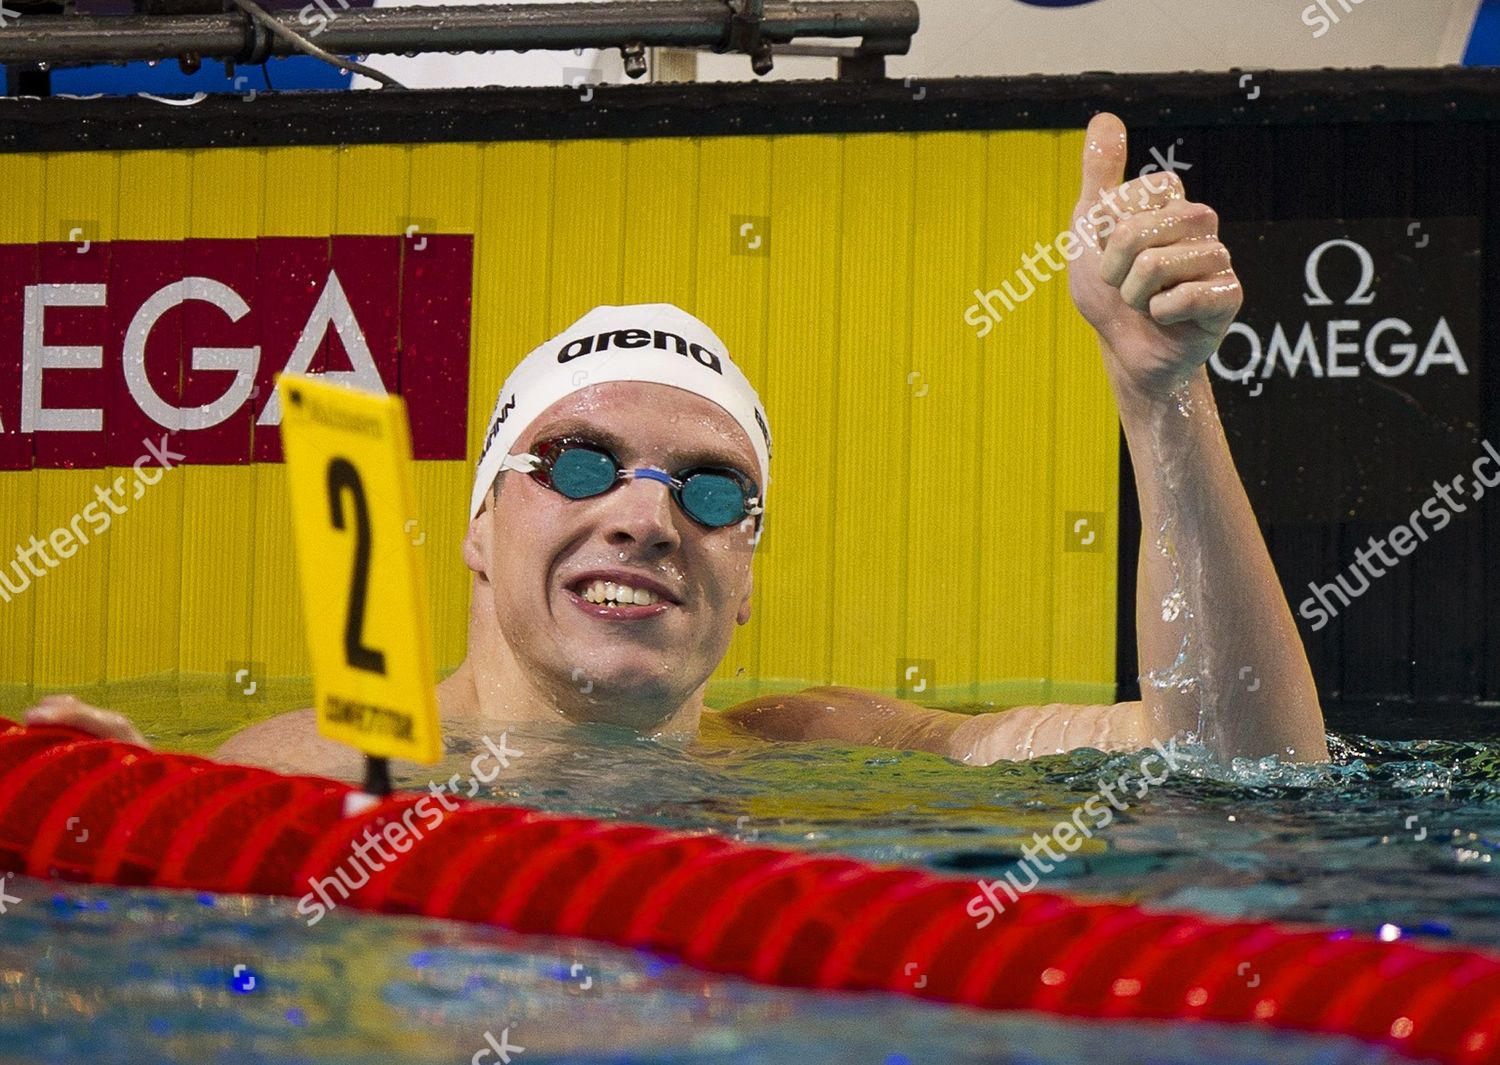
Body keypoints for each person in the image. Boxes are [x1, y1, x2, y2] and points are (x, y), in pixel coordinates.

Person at [23, 113, 1330, 777]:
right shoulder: (319, 766)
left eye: (712, 488)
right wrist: (108, 812)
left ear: (749, 573)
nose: (647, 517)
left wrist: (1161, 399)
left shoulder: (831, 750)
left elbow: (1236, 764)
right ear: (481, 525)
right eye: (581, 461)